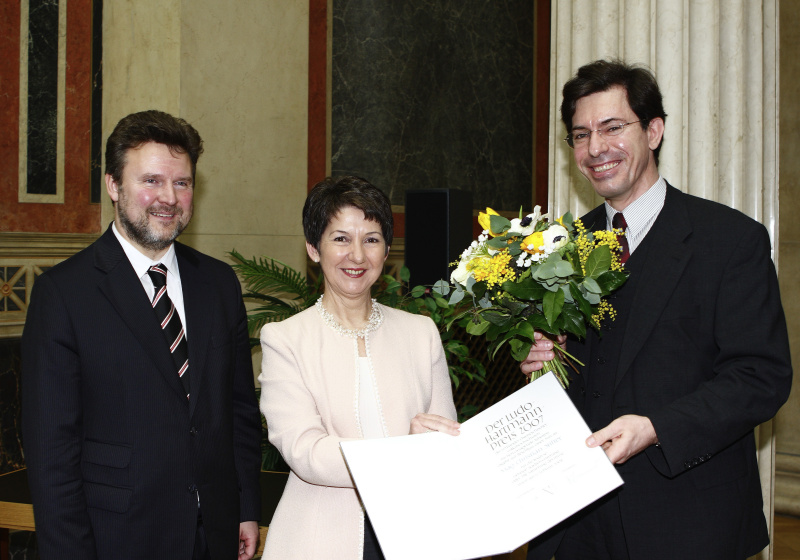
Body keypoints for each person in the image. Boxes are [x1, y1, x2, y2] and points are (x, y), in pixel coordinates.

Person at [522, 59, 792, 560]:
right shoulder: (559, 249)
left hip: (687, 522)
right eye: (580, 135)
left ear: (654, 130)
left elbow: (761, 376)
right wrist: (545, 367)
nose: (595, 148)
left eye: (612, 128)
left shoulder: (729, 241)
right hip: (578, 525)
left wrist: (657, 428)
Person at [21, 110, 262, 560]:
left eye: (182, 183)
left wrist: (246, 506)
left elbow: (238, 411)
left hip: (215, 532)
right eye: (151, 180)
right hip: (117, 537)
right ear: (114, 185)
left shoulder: (218, 283)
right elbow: (52, 451)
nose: (168, 197)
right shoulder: (64, 293)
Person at [258, 176, 460, 560]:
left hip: (415, 535)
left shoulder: (420, 333)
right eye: (340, 239)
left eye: (371, 239)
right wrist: (403, 450)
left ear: (387, 251)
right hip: (320, 540)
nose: (357, 256)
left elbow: (442, 442)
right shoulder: (285, 339)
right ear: (313, 249)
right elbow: (306, 450)